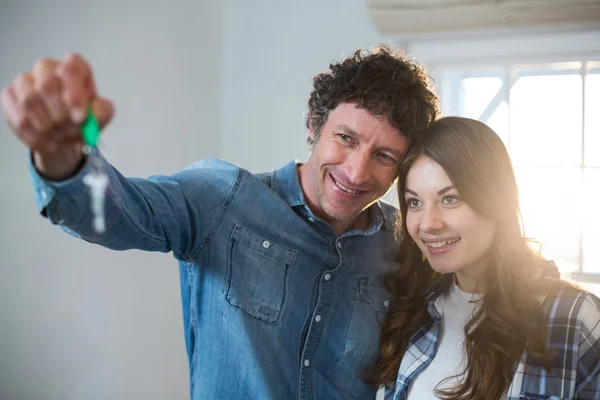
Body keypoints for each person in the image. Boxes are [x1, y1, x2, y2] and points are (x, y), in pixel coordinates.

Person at [0, 45, 439, 399]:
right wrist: (62, 158)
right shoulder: (221, 198)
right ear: (313, 124)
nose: (358, 172)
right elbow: (117, 213)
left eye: (383, 157)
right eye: (346, 138)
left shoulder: (404, 244)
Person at [370, 117, 600, 400]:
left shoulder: (575, 318)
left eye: (450, 198)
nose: (428, 223)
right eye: (414, 202)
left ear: (495, 201)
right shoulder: (412, 311)